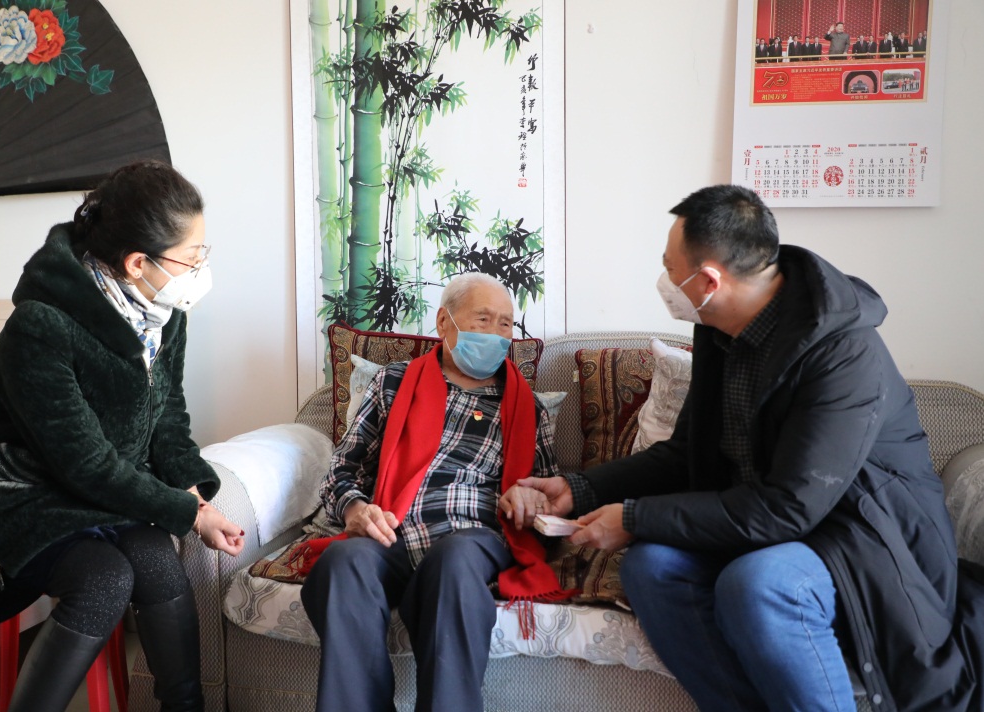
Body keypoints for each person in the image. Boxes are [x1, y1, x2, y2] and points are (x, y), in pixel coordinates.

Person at [509, 185, 984, 711]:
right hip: (769, 527)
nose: (665, 281)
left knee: (758, 583)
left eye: (670, 268)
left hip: (860, 538)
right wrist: (578, 488)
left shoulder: (844, 352)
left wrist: (636, 517)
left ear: (709, 280)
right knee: (651, 568)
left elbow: (789, 507)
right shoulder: (721, 333)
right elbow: (683, 455)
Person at [0, 160, 245, 712]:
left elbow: (168, 419)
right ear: (138, 262)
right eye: (192, 257)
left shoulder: (165, 314)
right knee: (103, 580)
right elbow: (82, 461)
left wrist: (192, 491)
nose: (200, 267)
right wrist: (188, 513)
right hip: (10, 486)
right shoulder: (41, 326)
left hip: (89, 483)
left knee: (155, 560)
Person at [298, 273, 571, 712]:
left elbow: (550, 501)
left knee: (455, 560)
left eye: (506, 324)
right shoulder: (392, 383)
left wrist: (530, 500)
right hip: (393, 531)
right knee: (344, 561)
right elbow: (342, 471)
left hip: (473, 539)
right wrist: (356, 510)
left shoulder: (527, 408)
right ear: (445, 322)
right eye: (483, 319)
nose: (496, 333)